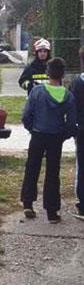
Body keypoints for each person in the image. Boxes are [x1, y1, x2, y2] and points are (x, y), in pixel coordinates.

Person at [21, 57, 77, 223]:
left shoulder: (37, 92)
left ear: (47, 73)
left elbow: (26, 115)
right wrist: (63, 135)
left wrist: (32, 129)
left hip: (38, 134)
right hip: (55, 137)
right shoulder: (68, 96)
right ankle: (52, 212)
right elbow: (71, 123)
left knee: (32, 168)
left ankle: (28, 203)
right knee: (53, 173)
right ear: (62, 75)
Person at [69, 46, 84, 221]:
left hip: (81, 129)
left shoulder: (76, 83)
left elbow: (71, 107)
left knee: (82, 165)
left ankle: (83, 204)